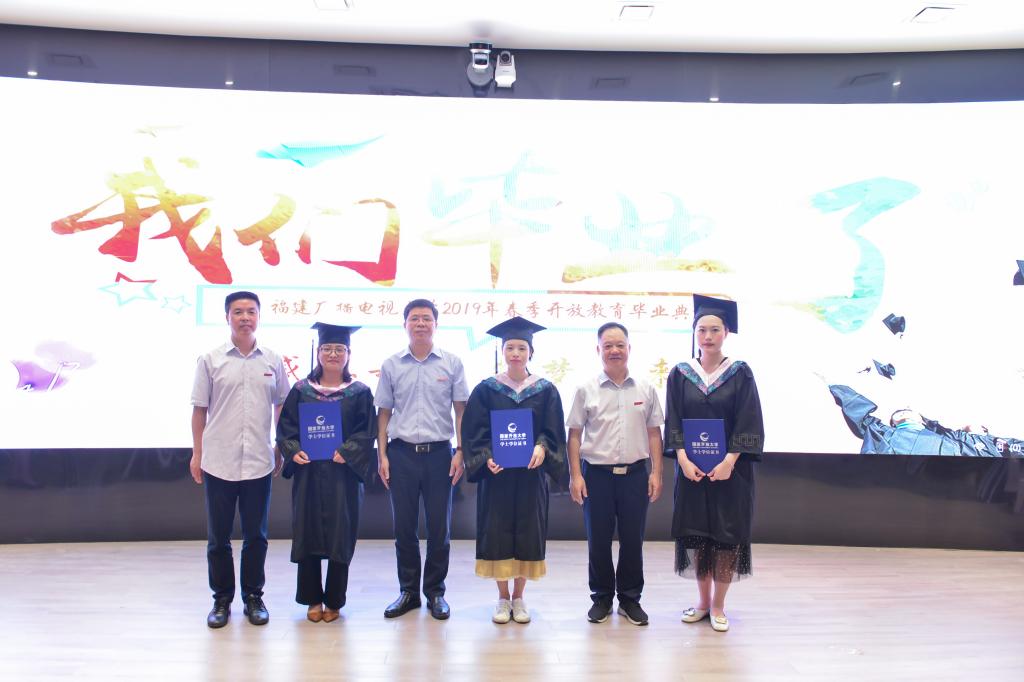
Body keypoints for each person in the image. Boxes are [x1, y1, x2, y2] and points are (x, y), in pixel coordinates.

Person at [190, 291, 291, 628]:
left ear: (259, 316)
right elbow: (199, 409)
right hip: (218, 460)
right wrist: (197, 453)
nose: (245, 317)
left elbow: (281, 406)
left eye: (251, 311)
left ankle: (253, 597)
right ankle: (221, 600)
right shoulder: (211, 359)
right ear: (227, 317)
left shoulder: (272, 360)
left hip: (259, 461)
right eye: (238, 312)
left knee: (256, 536)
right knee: (218, 538)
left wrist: (280, 446)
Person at [663, 295, 764, 633]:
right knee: (698, 537)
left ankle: (719, 605)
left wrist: (730, 460)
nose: (707, 336)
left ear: (726, 333)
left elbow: (749, 420)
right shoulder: (680, 374)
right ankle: (702, 602)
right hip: (691, 471)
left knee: (725, 537)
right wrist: (681, 457)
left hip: (730, 473)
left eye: (715, 330)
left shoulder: (740, 373)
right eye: (701, 330)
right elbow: (673, 420)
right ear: (694, 333)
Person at [461, 317, 567, 624]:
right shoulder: (486, 390)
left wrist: (542, 447)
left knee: (527, 532)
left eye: (522, 347)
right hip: (497, 477)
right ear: (503, 351)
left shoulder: (545, 390)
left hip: (531, 476)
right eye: (510, 347)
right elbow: (474, 432)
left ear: (531, 352)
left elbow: (553, 430)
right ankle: (502, 598)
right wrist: (486, 457)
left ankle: (519, 597)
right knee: (497, 532)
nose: (516, 353)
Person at [276, 323, 377, 623]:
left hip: (342, 474)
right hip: (309, 473)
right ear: (318, 353)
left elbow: (366, 431)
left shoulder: (359, 392)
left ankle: (334, 600)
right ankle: (312, 599)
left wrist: (347, 451)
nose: (333, 354)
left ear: (348, 354)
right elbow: (286, 428)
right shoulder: (301, 390)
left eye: (339, 349)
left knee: (339, 535)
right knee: (307, 532)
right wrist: (293, 449)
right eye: (327, 349)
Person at [375, 299, 469, 620]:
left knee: (439, 528)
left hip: (440, 455)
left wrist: (460, 451)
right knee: (404, 527)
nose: (420, 324)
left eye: (426, 318)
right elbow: (384, 413)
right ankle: (409, 592)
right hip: (401, 455)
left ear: (435, 324)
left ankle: (435, 592)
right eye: (414, 318)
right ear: (405, 324)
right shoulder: (391, 365)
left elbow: (460, 411)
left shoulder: (452, 363)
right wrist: (382, 455)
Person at [567, 322, 664, 626]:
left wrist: (656, 473)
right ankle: (602, 598)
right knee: (598, 540)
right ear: (598, 350)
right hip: (596, 476)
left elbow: (654, 433)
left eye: (620, 345)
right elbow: (574, 435)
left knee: (633, 540)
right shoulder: (585, 389)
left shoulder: (645, 388)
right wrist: (575, 476)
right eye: (607, 345)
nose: (614, 350)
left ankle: (630, 599)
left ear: (629, 348)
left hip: (635, 475)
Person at [828, 384, 1024, 456]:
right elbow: (861, 417)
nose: (904, 413)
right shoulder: (885, 435)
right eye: (898, 414)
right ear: (893, 423)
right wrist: (836, 387)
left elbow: (1011, 448)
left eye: (908, 411)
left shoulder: (952, 437)